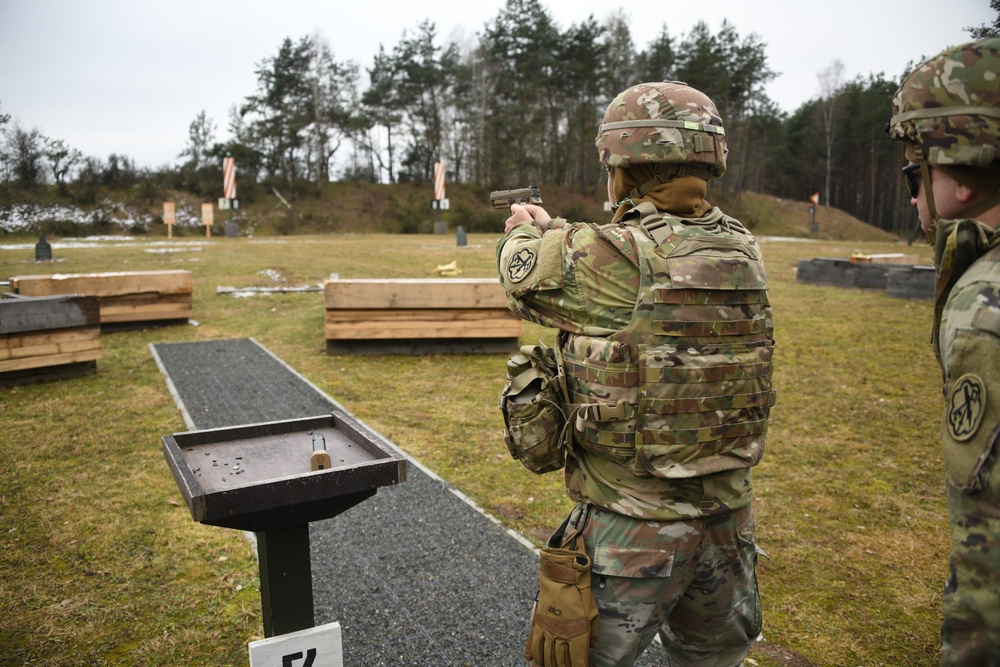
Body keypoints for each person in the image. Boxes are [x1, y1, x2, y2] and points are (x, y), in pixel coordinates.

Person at [497, 81, 774, 667]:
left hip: (634, 532)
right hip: (727, 523)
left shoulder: (622, 254)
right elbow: (622, 263)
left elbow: (525, 281)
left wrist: (524, 231)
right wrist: (559, 232)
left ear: (627, 167)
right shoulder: (740, 246)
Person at [886, 37, 1000, 666]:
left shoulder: (984, 310)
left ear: (959, 164)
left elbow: (990, 555)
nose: (911, 192)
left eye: (914, 171)